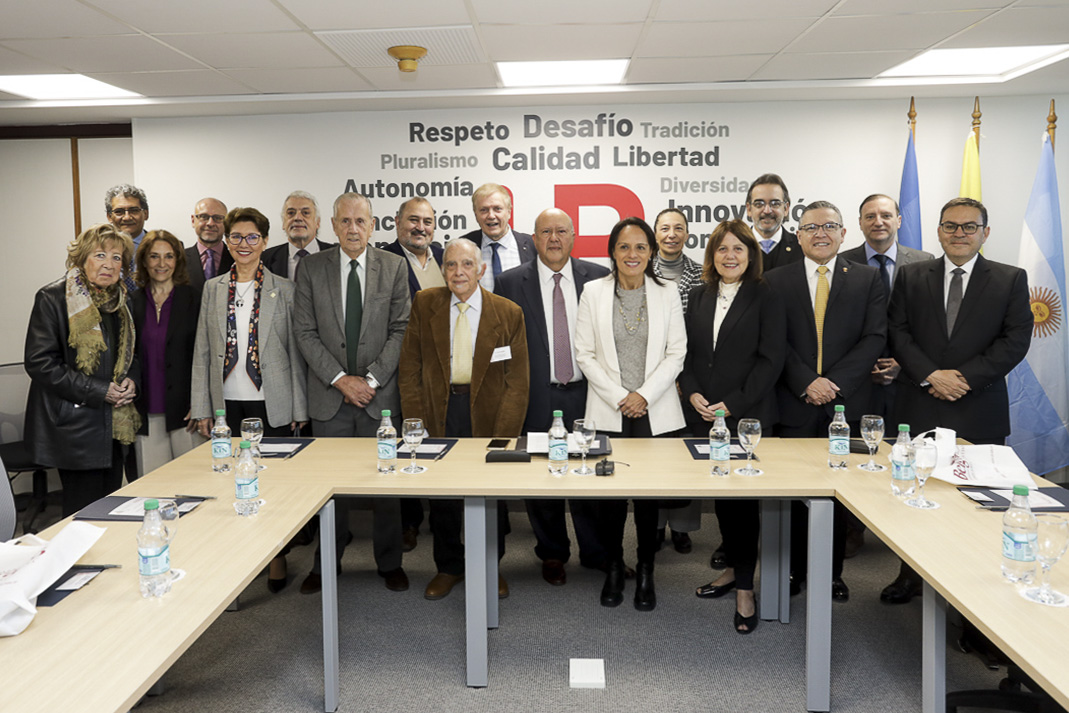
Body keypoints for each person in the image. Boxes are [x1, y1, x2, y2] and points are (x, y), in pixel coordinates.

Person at [880, 197, 1032, 604]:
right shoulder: (912, 276)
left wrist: (963, 378)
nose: (959, 233)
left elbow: (1015, 341)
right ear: (939, 231)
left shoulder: (1010, 278)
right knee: (912, 496)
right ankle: (909, 575)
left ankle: (972, 602)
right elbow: (898, 332)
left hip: (977, 404)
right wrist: (931, 374)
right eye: (950, 226)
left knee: (975, 507)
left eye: (969, 226)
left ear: (985, 232)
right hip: (919, 402)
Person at [764, 200, 886, 602]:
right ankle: (794, 570)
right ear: (797, 235)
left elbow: (874, 338)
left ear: (844, 233)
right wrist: (807, 382)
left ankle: (832, 573)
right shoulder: (774, 280)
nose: (821, 233)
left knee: (838, 492)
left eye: (830, 226)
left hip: (844, 404)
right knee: (793, 494)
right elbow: (772, 342)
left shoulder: (868, 279)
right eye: (811, 227)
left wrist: (832, 384)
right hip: (794, 402)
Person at [293, 192, 411, 595]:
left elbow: (401, 328)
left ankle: (390, 562)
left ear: (373, 225)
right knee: (329, 490)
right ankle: (326, 564)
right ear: (332, 224)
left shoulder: (393, 267)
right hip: (330, 398)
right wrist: (341, 379)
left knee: (387, 488)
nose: (353, 229)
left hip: (380, 401)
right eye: (345, 221)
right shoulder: (311, 269)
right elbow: (305, 332)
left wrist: (372, 380)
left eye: (361, 221)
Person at [399, 238, 529, 601]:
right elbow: (410, 367)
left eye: (467, 265)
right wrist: (414, 424)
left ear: (481, 269)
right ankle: (449, 567)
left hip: (488, 414)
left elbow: (517, 382)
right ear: (443, 270)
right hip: (438, 411)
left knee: (490, 495)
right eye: (452, 265)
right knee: (443, 496)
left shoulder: (507, 313)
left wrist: (504, 437)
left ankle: (490, 566)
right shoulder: (425, 304)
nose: (459, 272)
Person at [190, 206, 307, 593]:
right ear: (226, 241)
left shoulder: (284, 290)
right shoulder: (212, 288)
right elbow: (203, 352)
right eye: (236, 237)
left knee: (269, 484)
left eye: (252, 237)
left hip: (270, 401)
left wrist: (299, 409)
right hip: (227, 402)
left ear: (265, 242)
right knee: (230, 484)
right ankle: (236, 558)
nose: (244, 244)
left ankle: (275, 557)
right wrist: (203, 407)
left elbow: (295, 353)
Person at [575, 217, 687, 612]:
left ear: (652, 252)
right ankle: (612, 565)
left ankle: (645, 568)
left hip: (655, 411)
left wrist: (643, 395)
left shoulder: (668, 292)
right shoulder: (593, 292)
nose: (632, 254)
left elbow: (677, 352)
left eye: (641, 247)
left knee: (647, 499)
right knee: (609, 499)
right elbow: (584, 354)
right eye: (624, 247)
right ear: (612, 252)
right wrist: (623, 397)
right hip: (609, 410)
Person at [494, 208, 610, 586]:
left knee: (589, 475)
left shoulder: (597, 277)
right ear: (534, 238)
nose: (554, 238)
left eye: (562, 231)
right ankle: (553, 553)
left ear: (573, 236)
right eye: (546, 232)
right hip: (536, 394)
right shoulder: (510, 282)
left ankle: (596, 552)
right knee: (542, 480)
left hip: (587, 394)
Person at [681, 219, 786, 634]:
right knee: (722, 500)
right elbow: (687, 355)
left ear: (750, 254)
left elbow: (771, 359)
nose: (729, 256)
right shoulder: (697, 294)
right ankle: (734, 573)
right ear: (712, 255)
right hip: (704, 415)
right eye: (722, 249)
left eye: (738, 250)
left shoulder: (767, 295)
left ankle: (745, 588)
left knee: (743, 503)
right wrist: (691, 394)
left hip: (747, 417)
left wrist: (734, 403)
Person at [24, 223, 140, 517]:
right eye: (100, 255)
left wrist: (131, 381)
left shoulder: (120, 302)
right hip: (75, 429)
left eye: (117, 258)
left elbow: (129, 356)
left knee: (111, 513)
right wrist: (101, 391)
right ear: (82, 258)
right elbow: (40, 363)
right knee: (83, 516)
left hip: (112, 425)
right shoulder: (52, 297)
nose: (109, 264)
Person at [382, 197, 446, 552]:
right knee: (405, 443)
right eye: (413, 220)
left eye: (427, 221)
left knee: (439, 443)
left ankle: (442, 517)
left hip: (444, 374)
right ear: (396, 222)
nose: (420, 227)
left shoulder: (444, 257)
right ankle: (408, 522)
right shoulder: (385, 260)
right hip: (404, 369)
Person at [841, 194, 934, 419]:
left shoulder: (925, 263)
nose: (878, 222)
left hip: (908, 382)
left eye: (886, 215)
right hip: (856, 384)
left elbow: (929, 324)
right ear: (860, 222)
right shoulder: (842, 263)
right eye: (870, 216)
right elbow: (839, 324)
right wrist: (863, 365)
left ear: (899, 221)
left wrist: (904, 363)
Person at [650, 207, 704, 555]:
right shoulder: (639, 269)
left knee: (685, 454)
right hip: (652, 378)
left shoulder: (704, 274)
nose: (671, 234)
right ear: (655, 234)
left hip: (693, 375)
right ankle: (653, 525)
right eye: (665, 228)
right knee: (655, 456)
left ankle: (682, 528)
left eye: (678, 228)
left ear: (687, 234)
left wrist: (689, 378)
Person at [131, 230, 202, 476]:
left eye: (169, 256)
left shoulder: (194, 299)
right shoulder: (131, 302)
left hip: (187, 411)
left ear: (178, 261)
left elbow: (205, 355)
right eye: (154, 256)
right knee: (154, 488)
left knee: (194, 485)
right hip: (146, 411)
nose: (162, 264)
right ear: (144, 261)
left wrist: (201, 401)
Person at [458, 183, 535, 291]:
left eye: (497, 209)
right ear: (476, 214)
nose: (491, 216)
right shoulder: (462, 246)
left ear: (509, 212)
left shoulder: (532, 245)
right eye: (484, 210)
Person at [263, 191, 335, 280]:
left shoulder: (336, 255)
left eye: (305, 213)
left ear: (317, 222)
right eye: (291, 213)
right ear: (283, 223)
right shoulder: (265, 259)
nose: (297, 218)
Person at [746, 173, 804, 272]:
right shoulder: (736, 247)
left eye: (775, 204)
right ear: (749, 209)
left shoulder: (802, 248)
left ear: (786, 208)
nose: (767, 211)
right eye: (759, 204)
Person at [106, 184, 150, 293]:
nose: (127, 217)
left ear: (145, 214)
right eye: (119, 212)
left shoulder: (166, 248)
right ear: (109, 217)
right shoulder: (96, 250)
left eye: (134, 210)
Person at [186, 197, 233, 291]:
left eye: (218, 218)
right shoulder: (178, 259)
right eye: (204, 217)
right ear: (193, 220)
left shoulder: (237, 259)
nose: (210, 223)